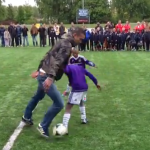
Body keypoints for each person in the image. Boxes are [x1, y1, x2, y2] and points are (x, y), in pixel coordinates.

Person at [21, 27, 85, 138]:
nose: (81, 41)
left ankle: (26, 117)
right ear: (75, 35)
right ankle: (43, 125)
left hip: (43, 72)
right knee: (59, 103)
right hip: (46, 75)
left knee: (38, 96)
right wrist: (50, 78)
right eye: (80, 39)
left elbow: (48, 55)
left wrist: (39, 69)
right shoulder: (67, 45)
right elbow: (57, 61)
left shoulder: (63, 40)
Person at [62, 64, 101, 133]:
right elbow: (90, 75)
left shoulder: (67, 68)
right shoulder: (80, 67)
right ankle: (84, 119)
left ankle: (64, 128)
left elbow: (65, 74)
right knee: (81, 102)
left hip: (77, 89)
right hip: (85, 88)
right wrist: (96, 83)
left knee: (68, 107)